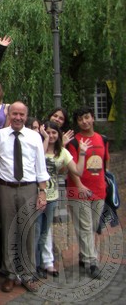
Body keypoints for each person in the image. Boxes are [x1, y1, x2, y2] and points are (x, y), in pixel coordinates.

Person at [0, 101, 49, 293]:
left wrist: (42, 193)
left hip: (29, 188)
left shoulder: (34, 137)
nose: (18, 118)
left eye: (21, 115)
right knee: (9, 230)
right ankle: (10, 274)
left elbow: (40, 167)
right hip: (6, 188)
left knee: (28, 230)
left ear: (26, 116)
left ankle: (27, 274)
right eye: (14, 114)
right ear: (9, 114)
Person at [36, 121, 88, 278]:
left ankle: (44, 265)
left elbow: (77, 171)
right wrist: (43, 138)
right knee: (36, 232)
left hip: (52, 197)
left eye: (54, 133)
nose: (51, 136)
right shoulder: (39, 148)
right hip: (37, 195)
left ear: (58, 134)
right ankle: (35, 265)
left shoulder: (62, 152)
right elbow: (37, 159)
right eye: (48, 132)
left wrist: (83, 153)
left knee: (44, 232)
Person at [66, 106, 110, 279]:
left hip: (99, 190)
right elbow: (72, 169)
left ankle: (84, 257)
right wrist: (79, 185)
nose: (84, 122)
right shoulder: (74, 142)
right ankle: (92, 262)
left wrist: (105, 181)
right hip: (79, 191)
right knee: (84, 227)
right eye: (80, 119)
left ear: (92, 118)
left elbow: (106, 161)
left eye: (86, 117)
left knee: (91, 227)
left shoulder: (103, 139)